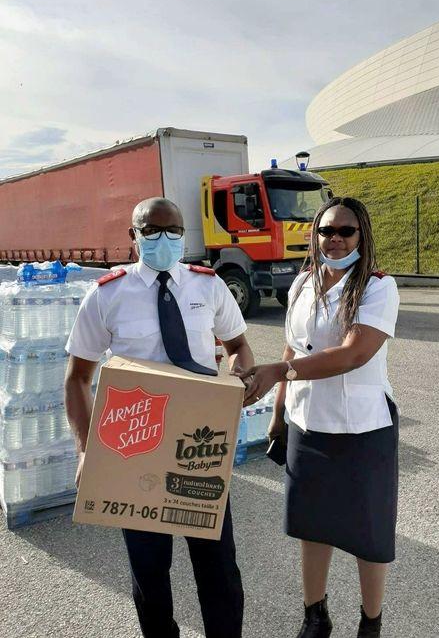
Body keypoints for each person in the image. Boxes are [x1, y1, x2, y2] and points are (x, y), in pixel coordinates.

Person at [65, 197, 254, 638]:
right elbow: (77, 378)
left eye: (173, 231)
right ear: (133, 237)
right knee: (150, 574)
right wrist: (86, 450)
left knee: (219, 569)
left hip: (199, 449)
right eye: (151, 231)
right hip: (136, 449)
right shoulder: (107, 295)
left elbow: (238, 345)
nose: (164, 239)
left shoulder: (208, 286)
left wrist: (237, 375)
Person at [238, 196, 400, 638]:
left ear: (362, 236)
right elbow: (292, 347)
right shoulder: (302, 283)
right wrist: (277, 413)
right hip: (307, 423)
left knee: (369, 533)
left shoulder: (377, 287)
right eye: (326, 230)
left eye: (345, 231)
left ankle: (371, 622)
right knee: (313, 526)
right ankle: (315, 615)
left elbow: (352, 354)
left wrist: (278, 372)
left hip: (361, 429)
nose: (334, 239)